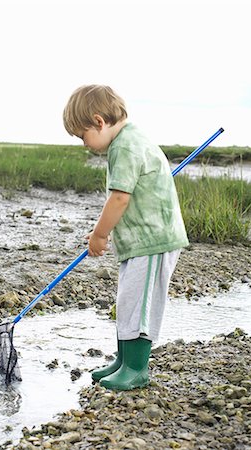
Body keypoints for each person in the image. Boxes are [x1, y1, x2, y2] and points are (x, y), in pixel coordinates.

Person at [63, 85, 189, 391]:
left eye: (83, 136)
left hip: (153, 241)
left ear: (99, 121)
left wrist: (100, 234)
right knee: (127, 298)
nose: (85, 144)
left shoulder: (125, 146)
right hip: (138, 241)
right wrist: (101, 232)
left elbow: (119, 198)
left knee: (139, 304)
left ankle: (136, 368)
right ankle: (123, 361)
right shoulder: (128, 139)